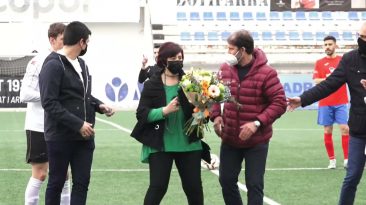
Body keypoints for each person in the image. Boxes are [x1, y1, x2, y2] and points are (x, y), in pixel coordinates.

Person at [287, 22, 366, 205]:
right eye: (360, 36)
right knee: (352, 177)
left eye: (365, 38)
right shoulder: (350, 59)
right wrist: (303, 99)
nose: (361, 41)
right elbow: (328, 85)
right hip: (359, 129)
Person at [39, 21, 114, 205]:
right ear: (81, 42)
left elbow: (83, 95)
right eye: (87, 42)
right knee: (56, 183)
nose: (87, 45)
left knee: (82, 183)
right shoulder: (53, 65)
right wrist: (78, 124)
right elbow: (49, 103)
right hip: (60, 136)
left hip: (85, 138)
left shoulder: (82, 64)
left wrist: (99, 105)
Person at [210, 29, 287, 205]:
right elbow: (213, 95)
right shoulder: (225, 69)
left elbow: (280, 103)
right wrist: (216, 116)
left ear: (242, 50)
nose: (228, 52)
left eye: (231, 49)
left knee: (254, 185)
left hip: (256, 140)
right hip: (230, 138)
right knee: (226, 181)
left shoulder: (267, 73)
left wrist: (257, 123)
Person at [131, 41, 207, 205]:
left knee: (194, 188)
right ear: (164, 60)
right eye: (173, 58)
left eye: (180, 57)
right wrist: (164, 111)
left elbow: (202, 116)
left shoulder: (190, 82)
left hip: (189, 145)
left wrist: (203, 107)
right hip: (161, 144)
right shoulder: (152, 84)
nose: (178, 61)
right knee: (158, 187)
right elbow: (141, 114)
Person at [20, 22, 71, 205]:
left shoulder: (70, 61)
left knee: (64, 174)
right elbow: (25, 93)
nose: (67, 44)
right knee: (41, 174)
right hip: (39, 126)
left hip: (61, 126)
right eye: (63, 40)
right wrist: (51, 97)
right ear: (52, 39)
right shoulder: (38, 61)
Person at [313, 35, 349, 169]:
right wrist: (328, 79)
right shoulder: (319, 62)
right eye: (325, 45)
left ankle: (347, 160)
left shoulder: (342, 61)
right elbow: (316, 80)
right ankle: (332, 160)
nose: (327, 47)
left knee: (345, 129)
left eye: (330, 44)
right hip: (325, 101)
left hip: (341, 101)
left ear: (335, 46)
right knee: (328, 130)